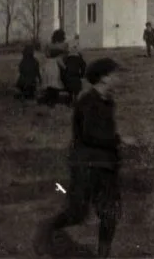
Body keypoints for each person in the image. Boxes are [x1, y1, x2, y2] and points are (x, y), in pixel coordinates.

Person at [34, 58, 126, 258]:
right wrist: (118, 140)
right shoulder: (87, 101)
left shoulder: (108, 102)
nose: (119, 79)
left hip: (106, 166)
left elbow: (105, 134)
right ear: (103, 78)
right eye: (115, 75)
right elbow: (89, 135)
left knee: (110, 214)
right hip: (86, 165)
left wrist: (116, 145)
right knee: (77, 214)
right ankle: (46, 229)